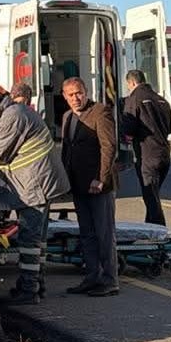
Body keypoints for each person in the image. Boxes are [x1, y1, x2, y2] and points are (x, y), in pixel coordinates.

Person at [0, 88, 69, 304]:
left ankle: (29, 289)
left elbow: (0, 155)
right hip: (40, 183)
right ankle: (37, 284)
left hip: (34, 186)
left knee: (29, 239)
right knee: (38, 239)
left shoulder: (11, 116)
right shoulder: (16, 111)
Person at [59, 77, 119, 297]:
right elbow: (67, 150)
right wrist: (64, 180)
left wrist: (101, 178)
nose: (76, 98)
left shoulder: (100, 112)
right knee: (87, 234)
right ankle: (92, 276)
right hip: (78, 184)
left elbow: (109, 147)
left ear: (86, 92)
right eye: (71, 94)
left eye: (79, 93)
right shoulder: (67, 117)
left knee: (104, 234)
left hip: (98, 185)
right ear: (64, 97)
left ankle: (110, 280)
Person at [121, 69, 171, 225]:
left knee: (150, 195)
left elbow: (128, 127)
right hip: (164, 152)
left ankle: (159, 229)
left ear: (131, 82)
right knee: (153, 193)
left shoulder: (134, 99)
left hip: (147, 153)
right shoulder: (161, 99)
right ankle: (149, 226)